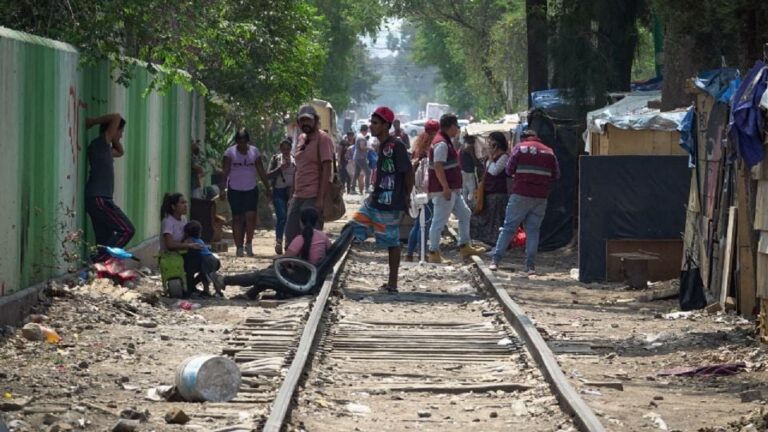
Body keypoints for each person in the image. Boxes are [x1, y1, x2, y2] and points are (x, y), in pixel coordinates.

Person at [351, 106, 413, 293]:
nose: (371, 126)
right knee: (354, 227)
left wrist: (406, 196)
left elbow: (408, 172)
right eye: (371, 122)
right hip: (375, 199)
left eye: (376, 123)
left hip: (390, 202)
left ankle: (393, 283)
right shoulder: (382, 145)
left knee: (392, 241)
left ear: (386, 125)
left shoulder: (396, 145)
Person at [215, 208, 331, 299]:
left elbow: (284, 261)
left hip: (299, 281)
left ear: (301, 222)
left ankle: (225, 280)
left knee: (262, 275)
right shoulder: (324, 237)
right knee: (267, 274)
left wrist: (279, 261)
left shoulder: (300, 239)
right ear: (317, 222)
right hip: (312, 277)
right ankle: (249, 294)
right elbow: (328, 252)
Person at [489, 129, 560, 275]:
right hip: (540, 197)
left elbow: (509, 170)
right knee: (533, 231)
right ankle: (530, 267)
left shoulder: (520, 148)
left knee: (509, 228)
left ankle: (495, 261)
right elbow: (556, 174)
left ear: (523, 138)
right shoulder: (549, 151)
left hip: (520, 194)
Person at [427, 113, 485, 264]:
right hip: (445, 190)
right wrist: (445, 187)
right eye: (457, 126)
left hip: (452, 190)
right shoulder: (441, 143)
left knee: (465, 214)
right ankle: (433, 252)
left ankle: (465, 245)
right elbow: (438, 166)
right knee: (439, 221)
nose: (458, 129)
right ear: (451, 126)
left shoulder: (446, 141)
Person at [84, 113, 136, 263]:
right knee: (127, 230)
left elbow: (120, 152)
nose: (120, 136)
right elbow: (116, 117)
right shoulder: (100, 144)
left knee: (104, 238)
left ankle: (99, 265)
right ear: (112, 130)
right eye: (120, 132)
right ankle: (101, 259)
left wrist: (114, 138)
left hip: (98, 198)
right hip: (99, 198)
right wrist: (92, 121)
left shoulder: (106, 149)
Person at [284, 105, 335, 244]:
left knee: (310, 237)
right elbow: (297, 168)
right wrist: (291, 195)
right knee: (290, 235)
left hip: (313, 195)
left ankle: (312, 265)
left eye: (308, 120)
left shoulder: (323, 139)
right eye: (302, 120)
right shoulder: (301, 138)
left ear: (315, 120)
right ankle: (293, 265)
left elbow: (326, 169)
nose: (305, 123)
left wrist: (320, 199)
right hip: (298, 195)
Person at [220, 128, 272, 257]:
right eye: (239, 142)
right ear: (236, 142)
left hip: (250, 188)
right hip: (235, 189)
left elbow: (261, 170)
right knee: (237, 218)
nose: (242, 144)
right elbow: (225, 172)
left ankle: (249, 243)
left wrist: (268, 187)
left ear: (247, 141)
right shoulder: (230, 153)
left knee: (250, 217)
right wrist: (222, 189)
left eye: (244, 141)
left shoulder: (254, 152)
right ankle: (239, 246)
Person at [404, 119, 439, 262]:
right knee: (426, 222)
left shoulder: (418, 146)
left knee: (418, 222)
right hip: (427, 189)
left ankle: (410, 253)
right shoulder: (433, 147)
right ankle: (422, 253)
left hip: (417, 189)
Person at [160, 193, 204, 297]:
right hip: (171, 256)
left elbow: (186, 237)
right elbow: (169, 244)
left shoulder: (183, 219)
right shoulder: (168, 221)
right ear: (173, 206)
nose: (185, 205)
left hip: (183, 252)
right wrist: (188, 246)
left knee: (206, 260)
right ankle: (189, 287)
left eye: (186, 203)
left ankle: (191, 285)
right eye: (182, 203)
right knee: (193, 257)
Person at [470, 132, 511, 245]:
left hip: (498, 194)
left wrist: (490, 159)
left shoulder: (504, 157)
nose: (489, 144)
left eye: (491, 141)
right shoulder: (491, 157)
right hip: (488, 193)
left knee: (495, 222)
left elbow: (494, 171)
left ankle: (497, 244)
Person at [267, 138, 296, 255]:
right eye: (283, 149)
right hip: (278, 191)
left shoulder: (295, 160)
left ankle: (288, 243)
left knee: (290, 218)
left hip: (291, 192)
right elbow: (268, 174)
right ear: (280, 149)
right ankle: (279, 240)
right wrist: (280, 169)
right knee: (282, 216)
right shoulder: (275, 159)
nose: (286, 151)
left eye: (288, 149)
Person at [183, 220, 224, 297]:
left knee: (204, 276)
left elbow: (184, 245)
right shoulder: (200, 240)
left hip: (205, 260)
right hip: (213, 258)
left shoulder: (189, 240)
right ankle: (218, 291)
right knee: (211, 274)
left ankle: (206, 290)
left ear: (187, 233)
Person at [460, 136, 481, 209]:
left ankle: (464, 207)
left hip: (462, 171)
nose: (475, 141)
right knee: (472, 190)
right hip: (469, 172)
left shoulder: (462, 147)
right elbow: (474, 159)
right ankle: (471, 208)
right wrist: (480, 165)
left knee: (464, 191)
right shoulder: (470, 147)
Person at [353, 124, 371, 194]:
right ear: (366, 130)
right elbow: (362, 147)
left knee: (356, 173)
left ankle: (352, 189)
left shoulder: (359, 136)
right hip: (361, 157)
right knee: (368, 172)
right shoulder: (361, 137)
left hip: (357, 157)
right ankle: (367, 188)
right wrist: (370, 148)